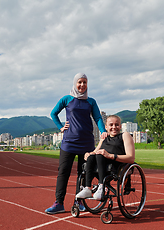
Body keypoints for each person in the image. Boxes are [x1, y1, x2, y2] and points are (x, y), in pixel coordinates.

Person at [45, 73, 106, 214]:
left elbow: (97, 117)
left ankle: (80, 201)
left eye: (85, 82)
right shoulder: (67, 99)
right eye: (80, 82)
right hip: (69, 142)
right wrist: (60, 127)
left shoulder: (91, 101)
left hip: (86, 143)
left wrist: (103, 131)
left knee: (84, 173)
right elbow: (53, 113)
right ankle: (59, 203)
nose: (82, 85)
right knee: (63, 173)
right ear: (75, 83)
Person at [75, 115, 135, 200]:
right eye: (111, 125)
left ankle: (101, 187)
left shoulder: (124, 135)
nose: (114, 127)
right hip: (103, 165)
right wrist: (88, 154)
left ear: (120, 126)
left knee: (100, 155)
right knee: (92, 157)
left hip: (118, 165)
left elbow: (131, 158)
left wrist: (110, 156)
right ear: (106, 127)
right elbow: (95, 151)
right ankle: (87, 188)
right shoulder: (104, 138)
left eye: (117, 125)